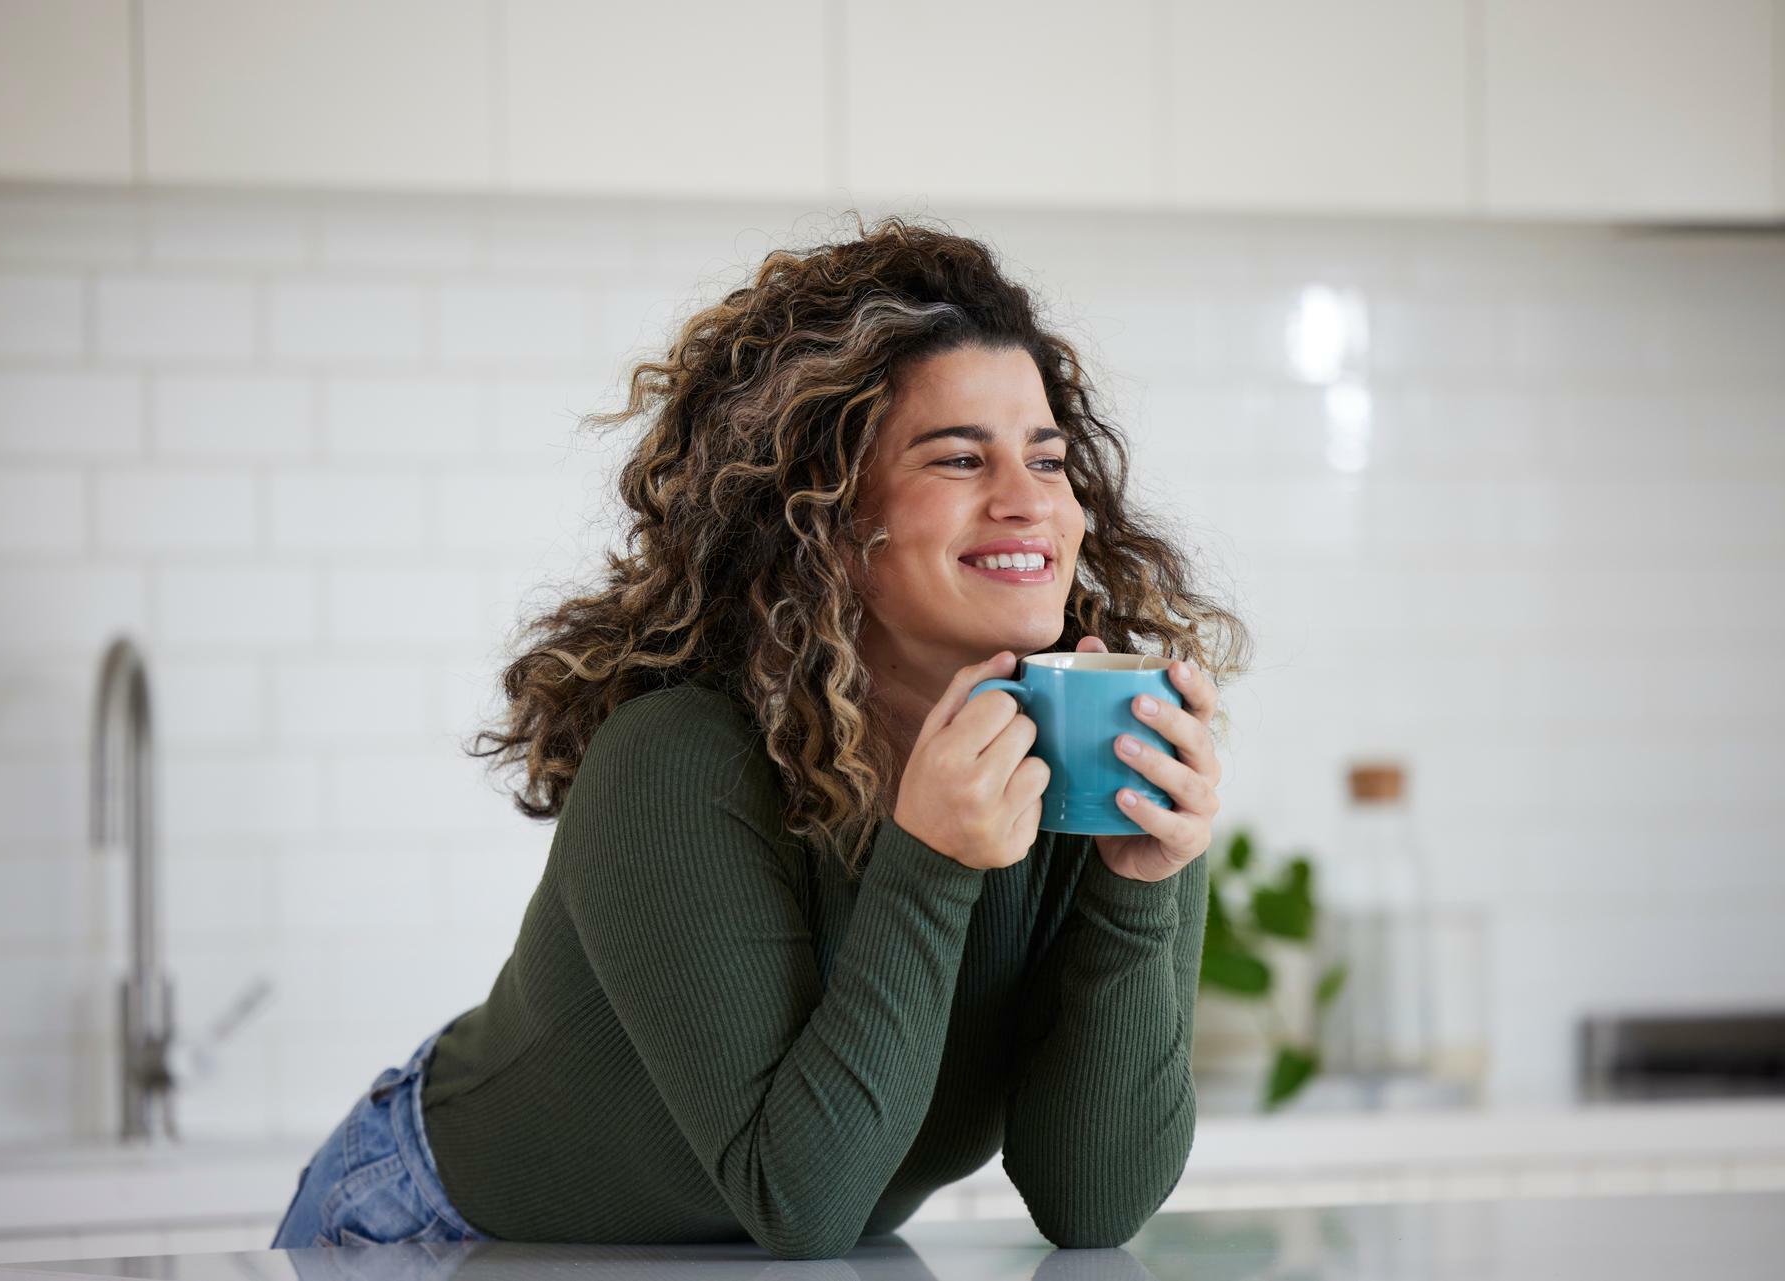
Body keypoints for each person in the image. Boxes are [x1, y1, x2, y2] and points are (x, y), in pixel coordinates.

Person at [270, 213, 1249, 1258]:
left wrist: (1148, 883)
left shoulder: (1069, 758)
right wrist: (930, 864)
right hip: (424, 1231)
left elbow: (1090, 1204)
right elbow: (802, 1201)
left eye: (1048, 462)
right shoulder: (678, 763)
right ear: (826, 518)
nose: (1029, 504)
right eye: (960, 460)